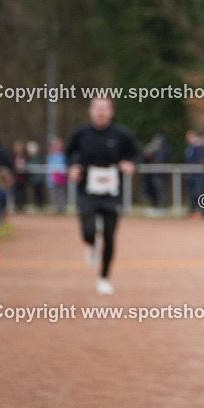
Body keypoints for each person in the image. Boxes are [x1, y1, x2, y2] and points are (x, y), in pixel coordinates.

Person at [65, 97, 139, 296]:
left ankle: (104, 278)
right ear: (91, 111)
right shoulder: (81, 133)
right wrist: (72, 167)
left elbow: (136, 154)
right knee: (88, 230)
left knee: (109, 235)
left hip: (112, 192)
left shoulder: (121, 134)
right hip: (88, 189)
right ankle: (91, 244)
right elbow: (68, 153)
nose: (101, 112)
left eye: (105, 109)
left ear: (111, 112)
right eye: (97, 108)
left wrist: (130, 164)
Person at [47, 136, 68, 215]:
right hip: (52, 178)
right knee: (53, 193)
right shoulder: (51, 154)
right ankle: (55, 208)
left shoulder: (64, 153)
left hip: (61, 177)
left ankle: (61, 208)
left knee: (60, 192)